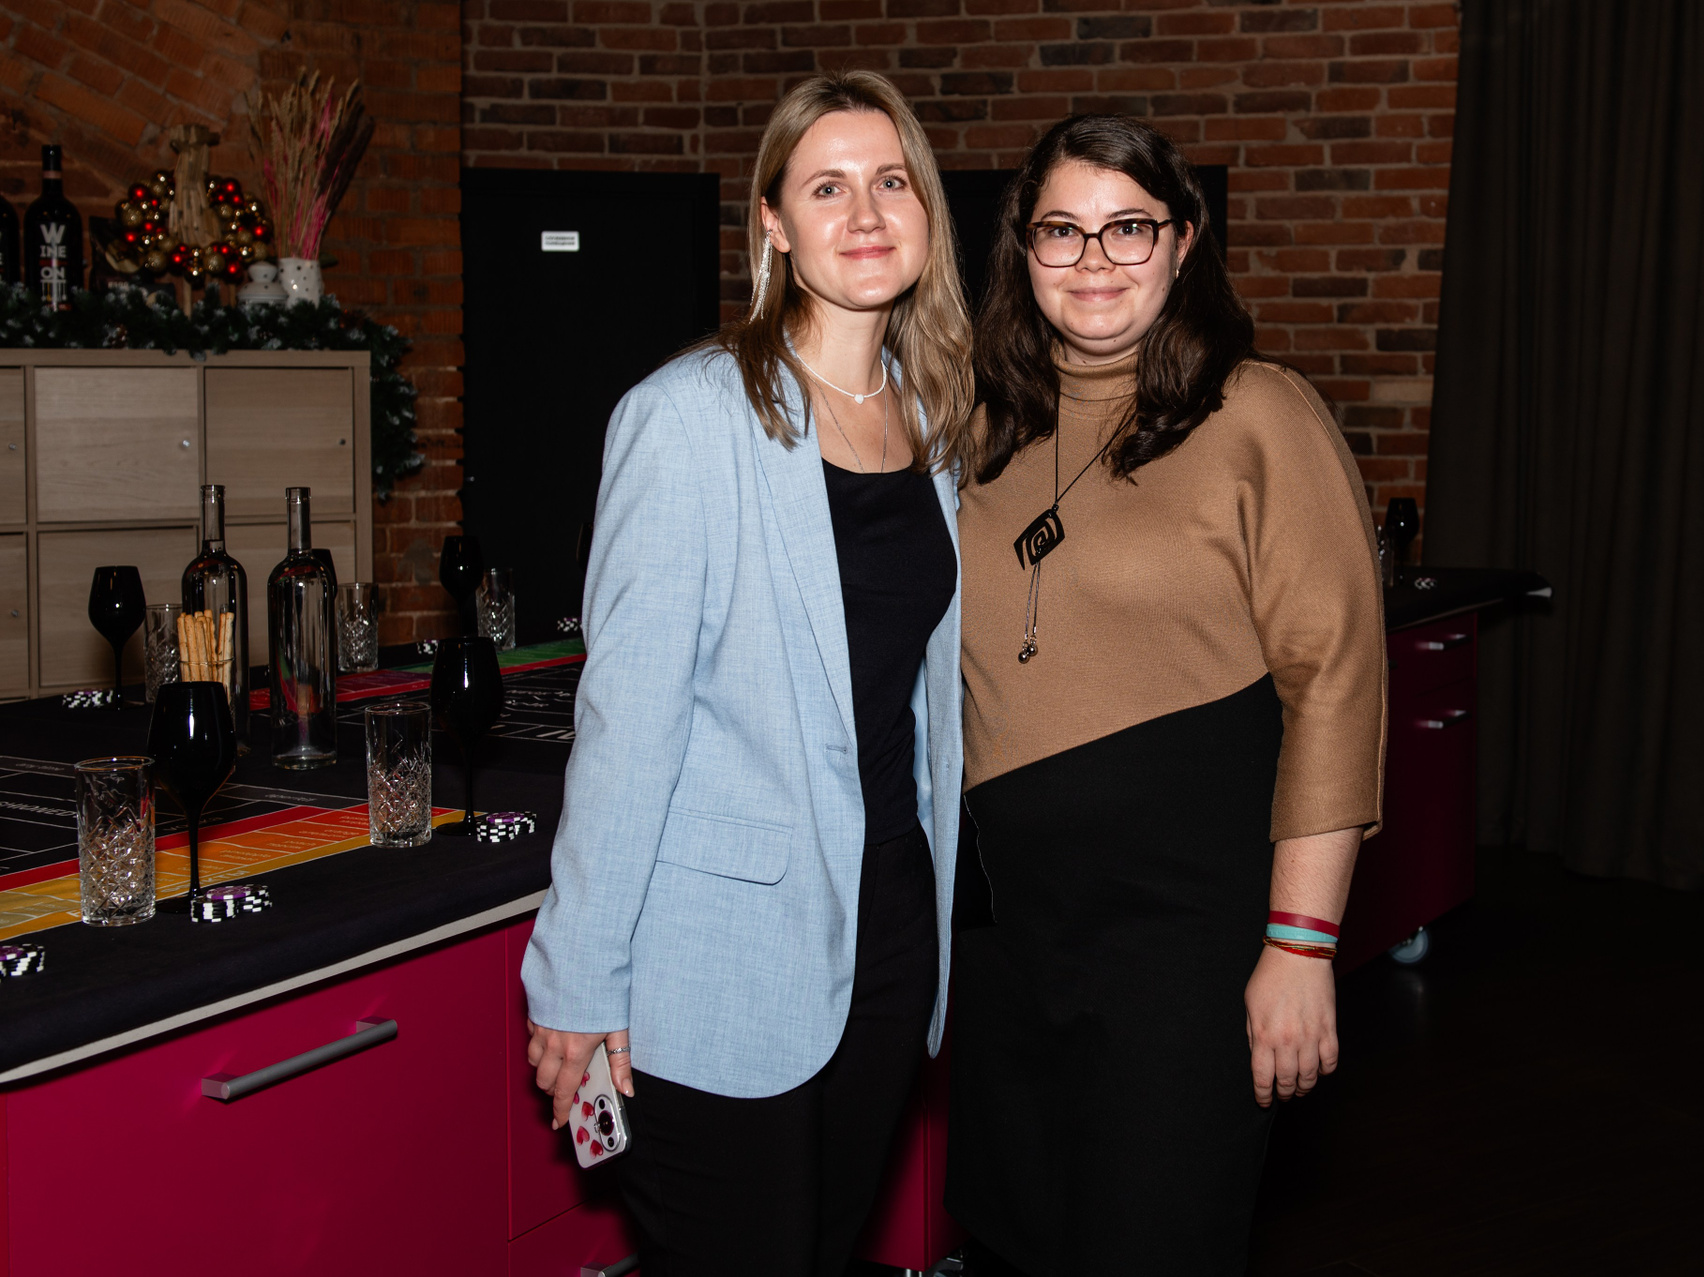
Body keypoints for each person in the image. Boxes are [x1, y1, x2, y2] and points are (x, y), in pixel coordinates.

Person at [519, 70, 973, 1276]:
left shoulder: (933, 422)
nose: (865, 213)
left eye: (891, 182)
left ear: (924, 212)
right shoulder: (689, 417)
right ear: (773, 222)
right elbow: (626, 725)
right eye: (827, 187)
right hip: (721, 955)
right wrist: (577, 977)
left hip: (887, 937)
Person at [948, 114, 1387, 1275]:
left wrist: (1300, 947)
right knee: (1017, 1241)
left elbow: (1337, 681)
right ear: (1023, 249)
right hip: (1005, 938)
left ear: (1184, 241)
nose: (1094, 259)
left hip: (1184, 943)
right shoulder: (979, 429)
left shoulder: (1259, 413)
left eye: (1128, 228)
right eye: (1062, 230)